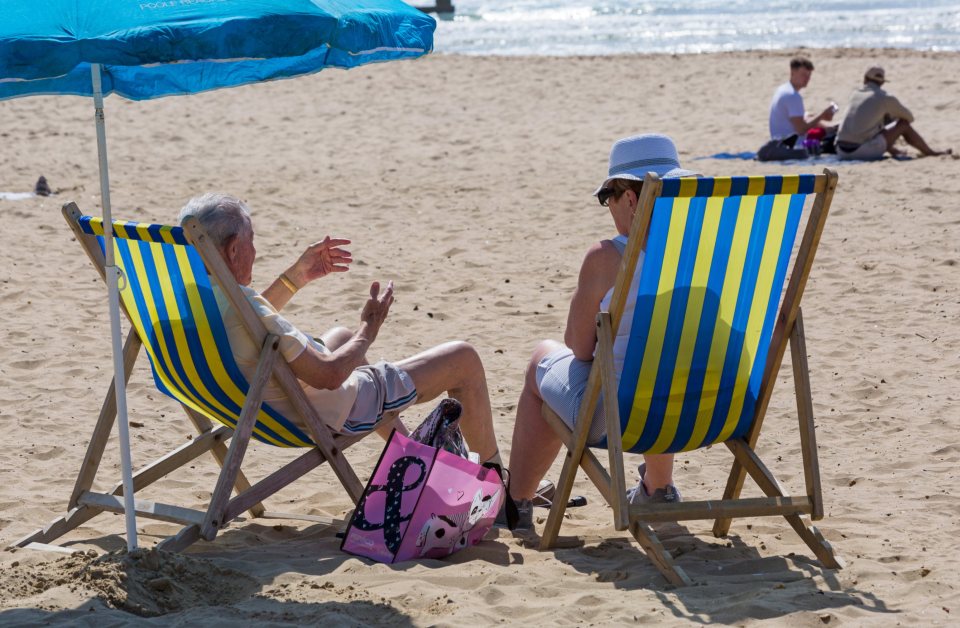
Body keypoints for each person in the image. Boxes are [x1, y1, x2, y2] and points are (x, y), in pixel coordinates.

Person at [177, 193, 504, 469]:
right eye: (251, 241)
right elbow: (330, 376)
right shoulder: (243, 304)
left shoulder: (190, 298)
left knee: (340, 337)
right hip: (314, 409)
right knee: (464, 359)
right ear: (233, 250)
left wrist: (297, 276)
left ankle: (409, 456)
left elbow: (248, 322)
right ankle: (498, 483)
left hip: (248, 402)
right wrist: (369, 327)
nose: (256, 251)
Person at [502, 134, 698, 531]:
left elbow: (580, 349)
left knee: (544, 357)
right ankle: (658, 487)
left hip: (624, 418)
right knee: (668, 360)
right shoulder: (712, 252)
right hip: (706, 407)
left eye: (607, 196)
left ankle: (517, 501)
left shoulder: (607, 258)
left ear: (628, 198)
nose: (607, 207)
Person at [836, 66, 952, 160]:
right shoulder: (885, 97)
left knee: (873, 125)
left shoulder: (854, 94)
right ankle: (929, 152)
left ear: (865, 79)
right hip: (860, 152)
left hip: (840, 150)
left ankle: (894, 150)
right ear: (882, 83)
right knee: (902, 125)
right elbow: (909, 118)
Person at [758, 57, 836, 161]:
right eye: (803, 75)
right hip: (790, 147)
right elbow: (801, 129)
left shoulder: (783, 89)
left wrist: (817, 117)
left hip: (779, 142)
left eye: (809, 76)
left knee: (818, 124)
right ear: (793, 72)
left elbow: (797, 120)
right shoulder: (792, 95)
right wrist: (822, 116)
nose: (807, 79)